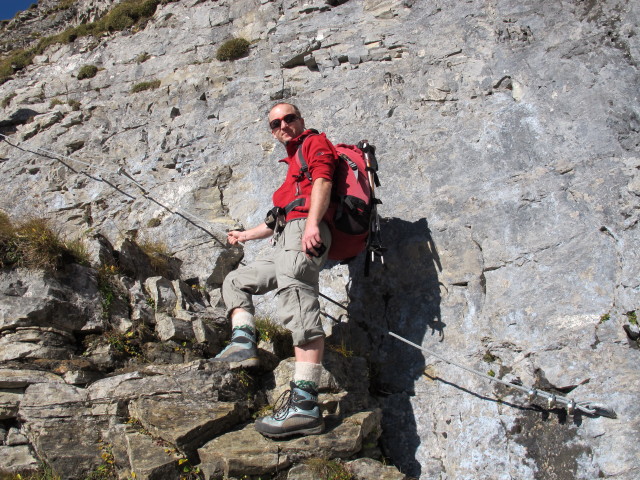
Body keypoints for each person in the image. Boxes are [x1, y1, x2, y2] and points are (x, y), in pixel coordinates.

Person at [213, 102, 339, 438]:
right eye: (275, 123)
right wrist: (244, 235)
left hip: (304, 232)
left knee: (296, 295)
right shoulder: (292, 163)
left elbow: (324, 181)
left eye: (289, 118)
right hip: (286, 235)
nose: (283, 125)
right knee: (236, 280)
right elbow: (278, 218)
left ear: (301, 120)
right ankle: (243, 342)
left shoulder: (314, 143)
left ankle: (305, 404)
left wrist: (313, 224)